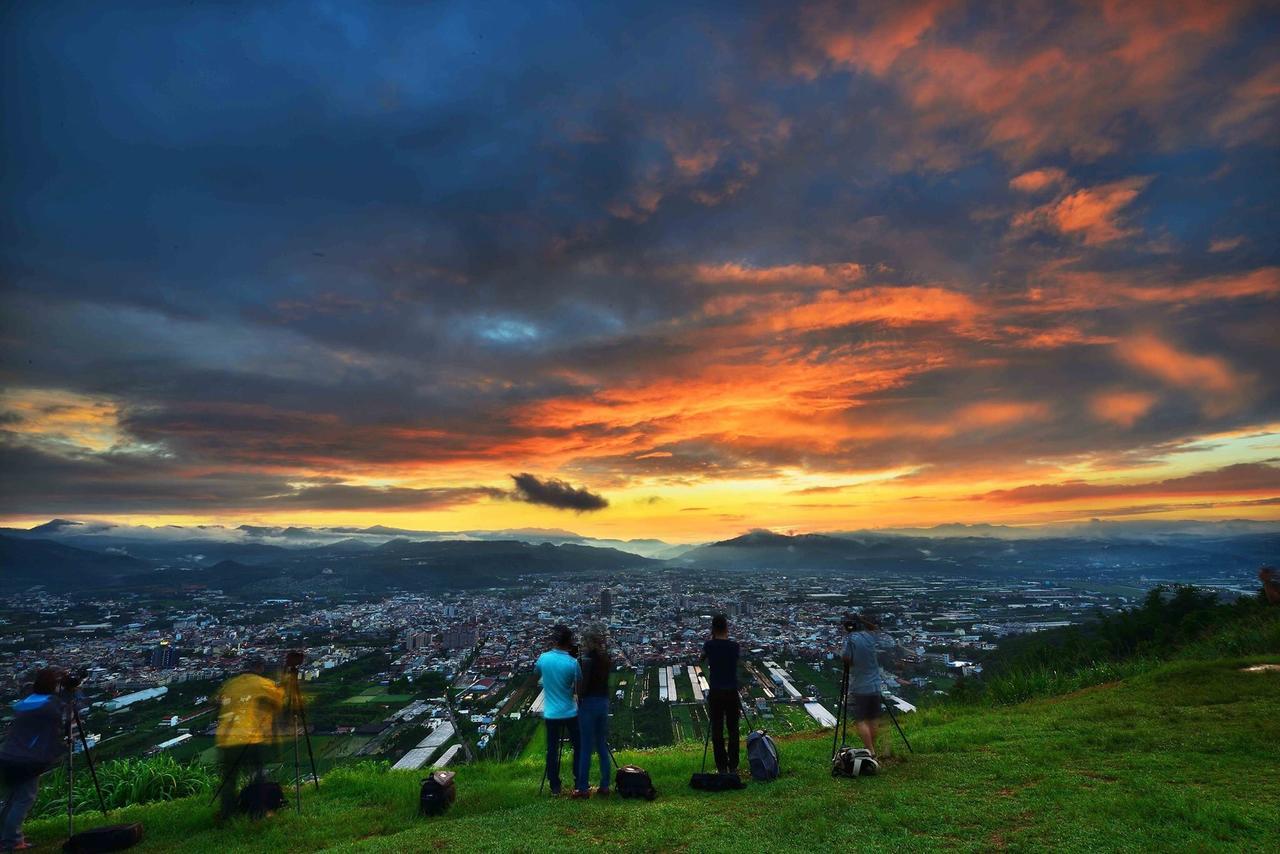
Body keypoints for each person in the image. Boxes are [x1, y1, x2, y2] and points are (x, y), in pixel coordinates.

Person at [0, 668, 72, 852]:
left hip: (8, 755)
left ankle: (6, 835)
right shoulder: (49, 705)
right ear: (53, 686)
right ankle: (12, 841)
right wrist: (69, 690)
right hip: (27, 759)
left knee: (12, 799)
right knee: (24, 799)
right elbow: (62, 715)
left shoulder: (25, 702)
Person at [215, 657, 283, 819]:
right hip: (249, 737)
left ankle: (227, 814)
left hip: (226, 739)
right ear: (259, 668)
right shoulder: (260, 683)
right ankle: (258, 812)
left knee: (229, 779)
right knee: (257, 776)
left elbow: (218, 703)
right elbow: (279, 700)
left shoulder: (230, 684)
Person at [535, 625, 583, 796]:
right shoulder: (573, 663)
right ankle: (579, 782)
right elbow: (578, 690)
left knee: (552, 749)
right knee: (578, 747)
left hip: (551, 712)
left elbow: (537, 673)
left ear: (554, 641)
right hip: (570, 711)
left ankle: (555, 786)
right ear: (569, 642)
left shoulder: (543, 658)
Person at [841, 612, 897, 757]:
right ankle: (874, 749)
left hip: (860, 685)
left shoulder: (850, 640)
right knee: (873, 719)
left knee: (860, 720)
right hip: (875, 685)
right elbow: (874, 628)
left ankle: (870, 750)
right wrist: (861, 619)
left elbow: (846, 658)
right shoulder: (869, 636)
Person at [701, 614, 741, 775]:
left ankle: (721, 767)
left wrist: (711, 640)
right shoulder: (734, 646)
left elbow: (701, 658)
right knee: (733, 730)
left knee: (717, 730)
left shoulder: (709, 645)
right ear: (726, 628)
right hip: (732, 691)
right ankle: (733, 766)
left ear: (713, 628)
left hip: (716, 692)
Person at [575, 625, 612, 798]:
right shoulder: (606, 659)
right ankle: (605, 785)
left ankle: (583, 788)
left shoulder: (586, 660)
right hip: (603, 702)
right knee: (602, 745)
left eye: (584, 642)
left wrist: (578, 695)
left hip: (589, 703)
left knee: (586, 747)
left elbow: (583, 685)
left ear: (589, 642)